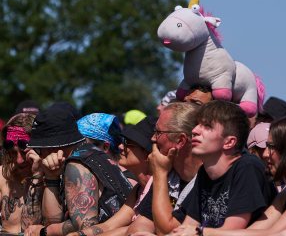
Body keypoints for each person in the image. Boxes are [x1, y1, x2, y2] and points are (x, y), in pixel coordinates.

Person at [171, 100, 275, 235]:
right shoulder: (205, 172)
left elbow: (230, 233)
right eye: (197, 124)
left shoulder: (247, 167)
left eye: (207, 126)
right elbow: (187, 227)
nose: (195, 130)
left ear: (229, 142)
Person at [24, 107, 132, 236]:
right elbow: (52, 221)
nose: (40, 154)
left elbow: (84, 225)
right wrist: (51, 177)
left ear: (52, 147)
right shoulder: (90, 153)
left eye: (40, 148)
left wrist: (43, 232)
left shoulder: (77, 164)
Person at [68, 116, 157, 236]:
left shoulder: (158, 188)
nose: (120, 146)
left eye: (128, 143)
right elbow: (110, 225)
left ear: (148, 154)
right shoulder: (139, 189)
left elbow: (131, 230)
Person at [125, 102, 202, 235]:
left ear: (180, 141)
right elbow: (138, 227)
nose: (153, 138)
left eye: (158, 132)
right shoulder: (171, 173)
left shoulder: (206, 177)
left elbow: (166, 230)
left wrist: (160, 173)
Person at [0, 113, 43, 233]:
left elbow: (29, 229)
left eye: (24, 152)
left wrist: (37, 177)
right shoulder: (3, 176)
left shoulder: (52, 178)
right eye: (13, 153)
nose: (19, 160)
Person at [77, 113, 138, 185]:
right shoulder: (94, 173)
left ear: (105, 147)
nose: (78, 151)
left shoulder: (128, 182)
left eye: (84, 146)